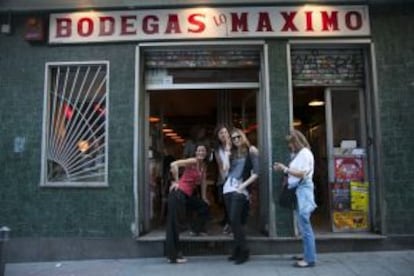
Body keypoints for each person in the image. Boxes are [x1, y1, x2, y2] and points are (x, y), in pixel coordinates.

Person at [273, 129, 317, 268]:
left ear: (296, 141)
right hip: (299, 191)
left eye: (290, 143)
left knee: (305, 225)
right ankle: (307, 254)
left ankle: (310, 259)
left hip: (303, 190)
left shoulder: (304, 153)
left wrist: (284, 169)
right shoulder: (299, 154)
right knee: (302, 225)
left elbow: (302, 174)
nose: (289, 145)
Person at [165, 144, 210, 264]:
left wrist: (204, 197)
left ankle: (196, 230)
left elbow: (204, 182)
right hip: (178, 194)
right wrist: (176, 181)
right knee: (174, 224)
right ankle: (173, 256)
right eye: (199, 150)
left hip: (186, 196)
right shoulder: (193, 161)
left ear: (206, 153)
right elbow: (173, 164)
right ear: (195, 152)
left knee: (204, 206)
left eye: (203, 151)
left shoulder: (203, 166)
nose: (201, 152)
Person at [222, 128, 259, 264]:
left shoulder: (251, 151)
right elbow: (225, 170)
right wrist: (226, 153)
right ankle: (237, 250)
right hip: (227, 188)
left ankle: (244, 251)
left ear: (243, 136)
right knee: (233, 222)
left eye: (238, 137)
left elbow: (256, 173)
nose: (236, 139)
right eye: (233, 138)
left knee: (235, 219)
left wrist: (242, 187)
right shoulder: (232, 153)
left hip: (240, 189)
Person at [213, 125, 232, 234]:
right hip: (223, 178)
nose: (224, 135)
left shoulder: (234, 145)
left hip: (234, 178)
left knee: (231, 202)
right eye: (221, 133)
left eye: (225, 132)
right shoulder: (217, 149)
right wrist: (223, 179)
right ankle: (227, 220)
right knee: (224, 202)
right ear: (218, 136)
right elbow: (220, 166)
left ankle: (230, 223)